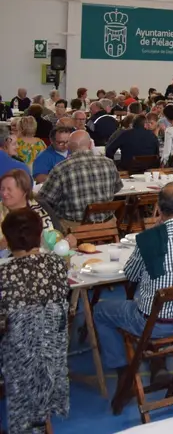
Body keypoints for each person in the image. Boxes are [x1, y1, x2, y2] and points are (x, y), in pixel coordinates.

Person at [94, 183, 173, 386]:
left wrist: (156, 232)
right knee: (153, 301)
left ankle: (123, 370)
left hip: (154, 324)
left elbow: (131, 275)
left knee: (100, 310)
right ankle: (158, 364)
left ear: (159, 207)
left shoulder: (149, 239)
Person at [0, 208, 71, 434]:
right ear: (40, 235)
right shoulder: (57, 265)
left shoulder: (4, 274)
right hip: (53, 358)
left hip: (18, 361)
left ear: (7, 240)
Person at [37, 131, 123, 232]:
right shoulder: (109, 163)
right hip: (108, 224)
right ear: (90, 144)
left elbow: (44, 199)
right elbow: (116, 189)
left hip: (74, 227)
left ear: (68, 146)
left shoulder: (61, 168)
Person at [0, 169, 60, 241]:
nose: (4, 193)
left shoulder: (42, 206)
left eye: (9, 189)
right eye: (2, 189)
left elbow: (59, 233)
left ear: (24, 191)